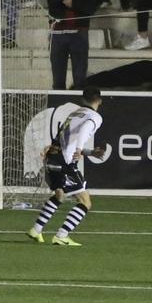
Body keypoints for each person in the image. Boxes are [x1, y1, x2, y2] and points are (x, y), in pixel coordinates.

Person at [26, 87, 105, 247]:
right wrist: (79, 149)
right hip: (64, 161)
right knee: (85, 202)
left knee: (60, 195)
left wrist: (88, 152)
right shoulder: (95, 117)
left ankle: (36, 230)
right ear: (99, 101)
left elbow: (65, 138)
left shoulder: (75, 113)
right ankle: (62, 235)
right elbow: (83, 132)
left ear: (83, 99)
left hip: (52, 156)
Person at [45, 0, 99, 90]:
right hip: (57, 33)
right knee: (58, 81)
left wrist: (74, 4)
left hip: (79, 32)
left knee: (80, 81)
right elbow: (51, 3)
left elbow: (91, 7)